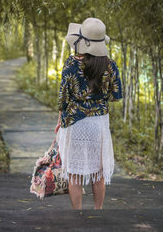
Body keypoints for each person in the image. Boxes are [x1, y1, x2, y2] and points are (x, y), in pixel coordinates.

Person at [54, 17, 123, 210]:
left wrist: (59, 120)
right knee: (98, 173)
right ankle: (97, 212)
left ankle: (78, 216)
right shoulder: (110, 65)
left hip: (75, 123)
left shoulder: (70, 64)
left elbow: (63, 98)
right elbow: (115, 95)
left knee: (74, 174)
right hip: (98, 124)